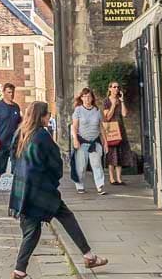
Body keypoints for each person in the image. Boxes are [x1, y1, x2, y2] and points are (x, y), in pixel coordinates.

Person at [9, 100, 108, 278]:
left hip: (23, 187)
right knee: (63, 217)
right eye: (48, 114)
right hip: (40, 189)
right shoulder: (42, 135)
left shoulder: (21, 132)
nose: (49, 117)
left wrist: (21, 174)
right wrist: (52, 180)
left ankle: (20, 270)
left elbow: (13, 158)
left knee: (32, 229)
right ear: (42, 116)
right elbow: (56, 163)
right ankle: (88, 256)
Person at [72, 87, 109, 195]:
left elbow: (101, 127)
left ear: (92, 98)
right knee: (81, 166)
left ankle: (100, 186)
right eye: (85, 96)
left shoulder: (97, 111)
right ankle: (79, 185)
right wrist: (75, 139)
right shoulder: (78, 110)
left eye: (89, 96)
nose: (87, 98)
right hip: (82, 142)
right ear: (81, 98)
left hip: (95, 142)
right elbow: (74, 127)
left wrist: (105, 142)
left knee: (97, 164)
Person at [0, 82, 22, 196]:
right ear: (4, 92)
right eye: (8, 92)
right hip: (1, 141)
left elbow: (20, 124)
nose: (11, 95)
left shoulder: (16, 107)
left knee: (17, 166)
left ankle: (16, 189)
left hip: (14, 143)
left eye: (12, 92)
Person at [103, 80, 133, 186]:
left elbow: (124, 114)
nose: (116, 89)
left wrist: (122, 101)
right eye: (114, 87)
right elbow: (107, 117)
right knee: (112, 153)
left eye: (117, 87)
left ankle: (119, 178)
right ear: (110, 88)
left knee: (120, 153)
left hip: (120, 129)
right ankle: (112, 178)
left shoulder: (120, 100)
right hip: (111, 129)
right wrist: (113, 105)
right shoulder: (106, 101)